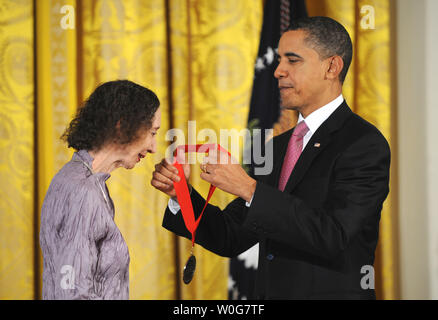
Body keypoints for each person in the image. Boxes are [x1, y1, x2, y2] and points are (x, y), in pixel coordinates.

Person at [151, 16, 390, 299]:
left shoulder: (363, 143)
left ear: (331, 67)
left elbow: (334, 236)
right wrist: (181, 194)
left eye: (292, 60)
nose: (278, 71)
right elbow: (230, 236)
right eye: (278, 60)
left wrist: (248, 188)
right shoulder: (278, 147)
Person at [40, 80, 161, 299]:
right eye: (152, 133)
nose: (154, 148)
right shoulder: (81, 191)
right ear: (123, 125)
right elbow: (72, 293)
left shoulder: (90, 182)